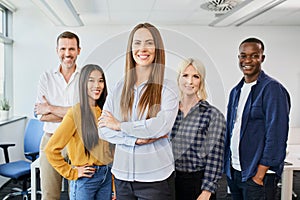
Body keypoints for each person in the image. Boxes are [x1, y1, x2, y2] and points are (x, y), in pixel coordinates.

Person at [98, 22, 179, 200]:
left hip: (155, 179)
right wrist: (136, 140)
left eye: (149, 43)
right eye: (137, 43)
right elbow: (103, 129)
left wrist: (119, 125)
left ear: (157, 48)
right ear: (131, 48)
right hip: (122, 176)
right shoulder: (120, 86)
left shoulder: (168, 87)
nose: (143, 48)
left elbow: (160, 127)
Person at [224, 37, 291, 200]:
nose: (248, 60)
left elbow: (277, 135)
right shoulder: (236, 91)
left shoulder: (272, 89)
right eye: (243, 55)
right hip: (236, 172)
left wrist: (259, 174)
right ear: (239, 58)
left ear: (262, 58)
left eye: (254, 55)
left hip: (257, 175)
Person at [45, 64, 114, 200]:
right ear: (83, 83)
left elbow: (109, 152)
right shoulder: (75, 113)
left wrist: (112, 185)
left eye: (101, 80)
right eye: (91, 80)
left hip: (106, 176)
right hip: (86, 179)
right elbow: (51, 149)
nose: (97, 85)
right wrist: (72, 172)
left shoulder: (105, 112)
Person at [34, 31, 81, 200]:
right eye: (63, 49)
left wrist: (50, 107)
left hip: (77, 140)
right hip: (51, 139)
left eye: (71, 49)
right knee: (49, 194)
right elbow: (41, 116)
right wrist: (73, 114)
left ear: (78, 51)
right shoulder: (46, 78)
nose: (67, 53)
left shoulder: (85, 78)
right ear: (57, 50)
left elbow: (85, 114)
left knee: (77, 193)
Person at [171, 58, 226, 200]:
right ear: (178, 79)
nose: (189, 81)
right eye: (185, 75)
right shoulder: (169, 112)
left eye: (195, 76)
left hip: (197, 184)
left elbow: (215, 157)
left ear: (201, 81)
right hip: (170, 182)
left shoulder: (212, 115)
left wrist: (206, 192)